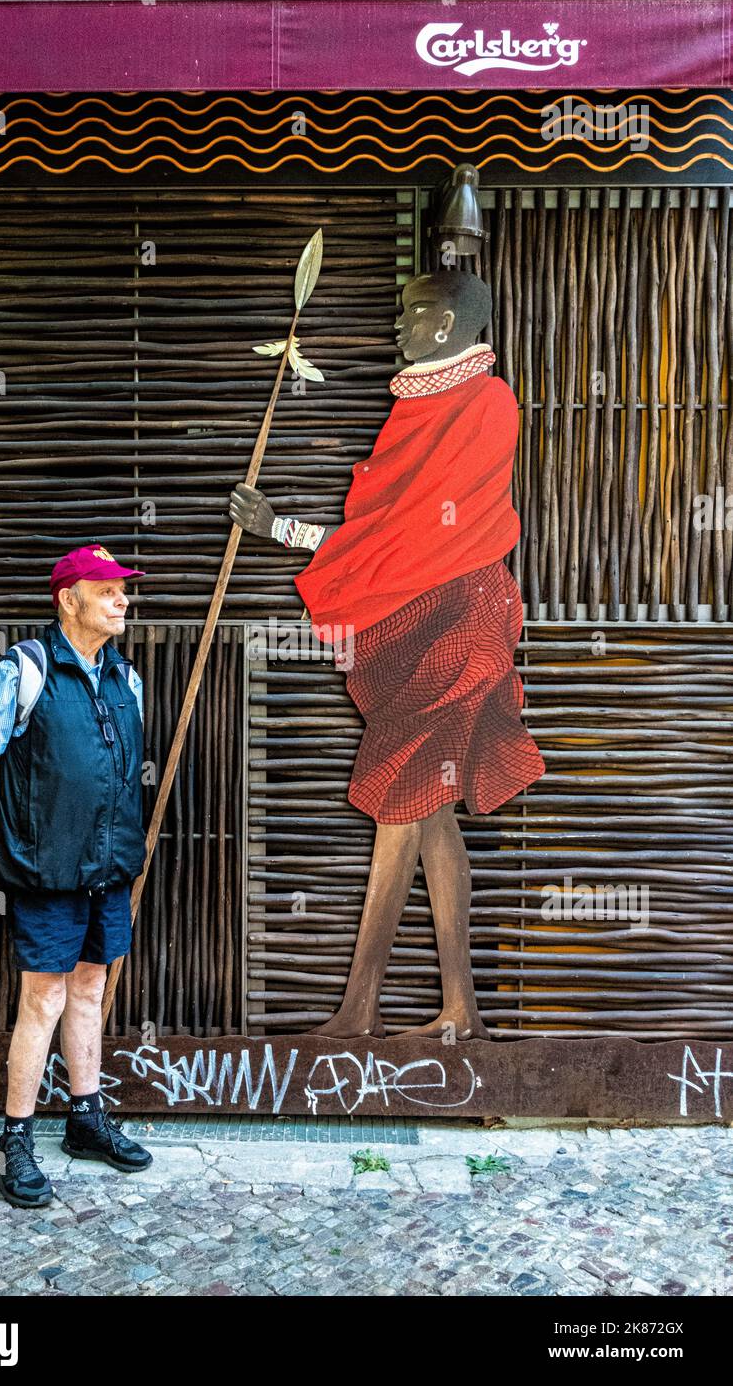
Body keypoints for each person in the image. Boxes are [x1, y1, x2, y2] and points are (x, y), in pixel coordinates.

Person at [229, 270, 545, 1042]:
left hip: (461, 622)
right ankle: (461, 1011)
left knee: (402, 798)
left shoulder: (486, 403)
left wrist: (286, 533)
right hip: (422, 621)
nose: (395, 328)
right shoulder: (419, 406)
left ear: (443, 326)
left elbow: (420, 538)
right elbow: (385, 536)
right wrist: (280, 529)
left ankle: (358, 1009)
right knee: (432, 813)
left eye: (408, 314)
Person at [0, 542, 154, 1208]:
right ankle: (13, 1141)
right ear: (69, 599)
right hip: (45, 876)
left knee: (92, 988)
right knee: (42, 999)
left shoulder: (125, 678)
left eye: (123, 590)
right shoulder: (22, 671)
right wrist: (17, 848)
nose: (122, 599)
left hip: (108, 871)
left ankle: (85, 1119)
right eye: (108, 590)